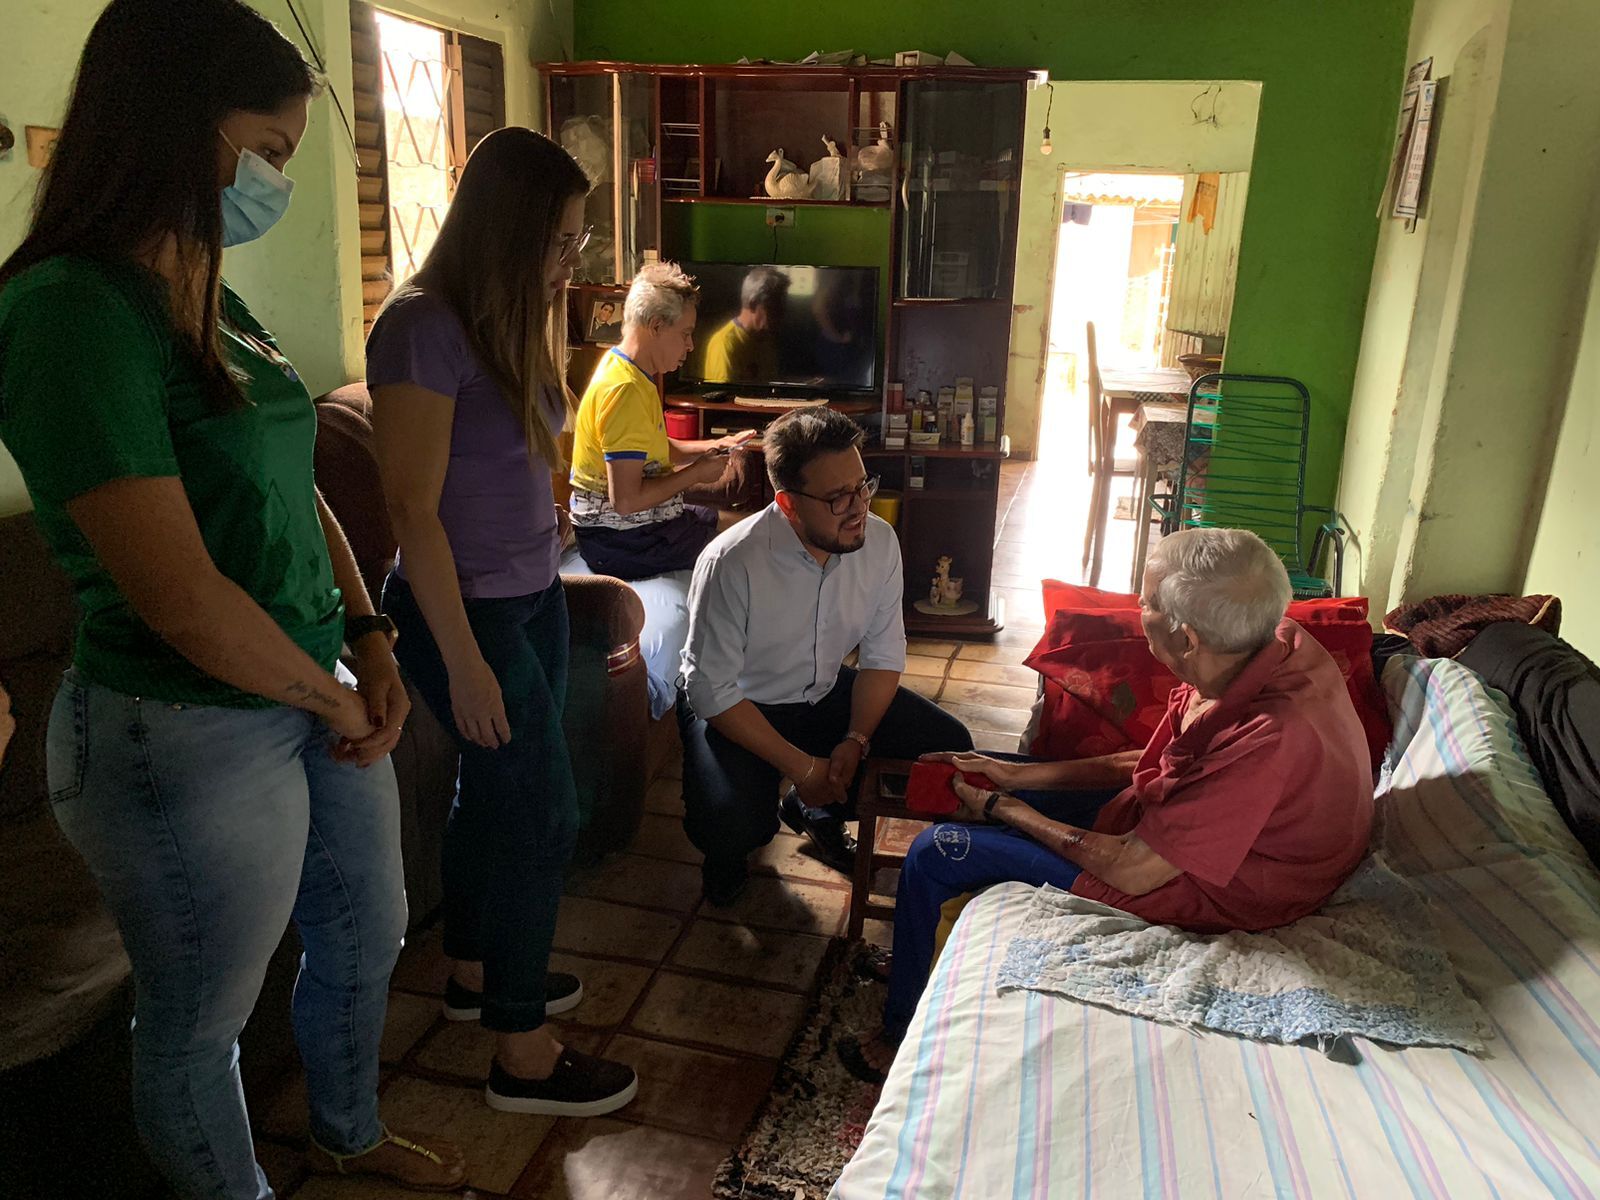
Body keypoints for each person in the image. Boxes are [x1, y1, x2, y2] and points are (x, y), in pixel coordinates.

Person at [0, 2, 464, 1194]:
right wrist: (334, 697)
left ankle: (350, 1138)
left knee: (367, 929)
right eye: (265, 150)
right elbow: (182, 598)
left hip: (307, 685)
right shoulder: (71, 310)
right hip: (182, 725)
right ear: (175, 127)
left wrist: (369, 637)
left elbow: (293, 487)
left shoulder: (203, 286)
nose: (275, 184)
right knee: (198, 1020)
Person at [840, 527, 1375, 1082]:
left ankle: (899, 1032)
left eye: (1145, 602)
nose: (1138, 609)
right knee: (969, 773)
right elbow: (1155, 762)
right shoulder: (1266, 640)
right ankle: (921, 951)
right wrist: (1015, 775)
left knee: (936, 851)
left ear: (1187, 638)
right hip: (1184, 829)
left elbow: (1134, 870)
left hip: (1220, 888)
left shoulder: (1272, 738)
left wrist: (1006, 808)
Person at [368, 127, 638, 1118]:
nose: (571, 260)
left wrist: (551, 521)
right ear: (507, 230)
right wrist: (462, 662)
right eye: (560, 240)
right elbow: (411, 511)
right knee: (543, 812)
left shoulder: (511, 316)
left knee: (495, 791)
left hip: (531, 594)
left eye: (576, 239)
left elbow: (524, 450)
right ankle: (520, 1051)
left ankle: (478, 969)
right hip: (464, 614)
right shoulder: (419, 327)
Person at [678, 409, 973, 905]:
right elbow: (710, 690)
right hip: (738, 706)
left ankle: (816, 811)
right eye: (838, 498)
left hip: (821, 690)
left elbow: (882, 656)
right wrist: (804, 768)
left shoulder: (879, 543)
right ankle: (727, 852)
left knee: (946, 748)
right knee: (733, 823)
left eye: (862, 487)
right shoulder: (733, 561)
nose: (858, 508)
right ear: (788, 504)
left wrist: (856, 739)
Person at [568, 261, 755, 580]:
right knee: (747, 545)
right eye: (685, 334)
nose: (690, 345)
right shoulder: (625, 390)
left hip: (632, 530)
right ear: (656, 326)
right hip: (621, 540)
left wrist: (714, 444)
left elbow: (650, 450)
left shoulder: (624, 367)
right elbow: (626, 501)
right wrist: (697, 473)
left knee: (742, 523)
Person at [701, 265, 788, 384]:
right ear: (753, 304)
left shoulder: (766, 342)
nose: (781, 313)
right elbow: (723, 393)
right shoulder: (724, 344)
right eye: (774, 308)